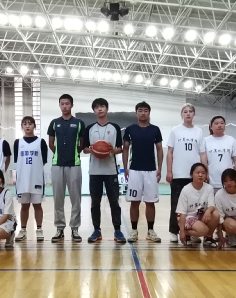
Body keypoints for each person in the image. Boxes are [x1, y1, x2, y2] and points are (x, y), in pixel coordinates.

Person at [82, 98, 126, 244]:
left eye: (102, 106)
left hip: (111, 171)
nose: (99, 109)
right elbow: (85, 149)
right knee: (95, 203)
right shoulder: (89, 128)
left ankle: (117, 230)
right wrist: (93, 150)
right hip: (94, 172)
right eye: (96, 107)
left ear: (107, 109)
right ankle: (96, 230)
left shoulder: (115, 127)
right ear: (94, 111)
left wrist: (110, 150)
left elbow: (120, 148)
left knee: (114, 202)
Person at [122, 101, 163, 243]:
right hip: (134, 170)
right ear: (136, 113)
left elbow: (159, 149)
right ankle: (134, 231)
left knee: (150, 202)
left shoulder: (155, 130)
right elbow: (125, 149)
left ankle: (150, 231)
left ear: (149, 113)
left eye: (146, 110)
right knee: (134, 202)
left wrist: (159, 168)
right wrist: (126, 167)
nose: (143, 113)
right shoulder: (130, 129)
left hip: (151, 170)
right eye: (140, 110)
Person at [47, 94, 85, 243]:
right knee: (58, 199)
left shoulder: (79, 123)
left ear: (72, 105)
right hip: (57, 165)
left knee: (76, 199)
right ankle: (60, 228)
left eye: (67, 103)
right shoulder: (54, 123)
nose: (64, 106)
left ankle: (75, 228)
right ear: (59, 105)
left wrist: (73, 153)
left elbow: (82, 143)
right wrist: (59, 153)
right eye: (62, 104)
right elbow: (51, 143)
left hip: (74, 165)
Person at [166, 103, 203, 244]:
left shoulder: (198, 131)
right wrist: (169, 171)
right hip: (178, 174)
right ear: (181, 114)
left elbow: (202, 153)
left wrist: (204, 171)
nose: (188, 113)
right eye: (185, 111)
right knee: (176, 204)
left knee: (194, 206)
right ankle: (173, 231)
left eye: (190, 111)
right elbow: (170, 152)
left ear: (194, 114)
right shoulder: (175, 131)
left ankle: (192, 232)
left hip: (194, 175)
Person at [14, 116, 48, 242]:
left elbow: (44, 160)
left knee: (37, 205)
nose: (27, 126)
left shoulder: (41, 142)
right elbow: (17, 161)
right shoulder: (18, 142)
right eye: (25, 124)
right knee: (24, 206)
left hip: (36, 179)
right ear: (22, 126)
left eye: (30, 123)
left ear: (35, 126)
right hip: (22, 180)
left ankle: (39, 229)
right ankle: (23, 230)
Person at [175, 163, 220, 246]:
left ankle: (208, 238)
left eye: (203, 173)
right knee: (203, 230)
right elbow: (182, 213)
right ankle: (187, 234)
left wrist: (208, 211)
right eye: (197, 172)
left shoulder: (209, 188)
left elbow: (212, 205)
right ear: (191, 174)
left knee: (215, 214)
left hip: (201, 216)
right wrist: (182, 231)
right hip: (188, 217)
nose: (200, 175)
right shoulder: (186, 189)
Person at [202, 115, 236, 192]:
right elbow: (204, 160)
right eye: (216, 123)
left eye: (222, 123)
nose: (219, 125)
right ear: (211, 127)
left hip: (229, 181)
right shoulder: (205, 141)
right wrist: (205, 174)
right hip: (212, 180)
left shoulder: (231, 140)